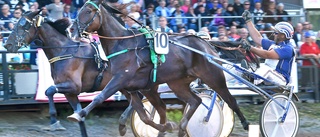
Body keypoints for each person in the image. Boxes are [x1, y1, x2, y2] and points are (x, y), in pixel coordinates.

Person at [241, 10, 295, 86]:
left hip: (281, 79)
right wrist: (248, 21)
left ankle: (252, 79)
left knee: (266, 68)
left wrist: (250, 47)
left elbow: (267, 55)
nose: (273, 34)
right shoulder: (273, 43)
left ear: (283, 35)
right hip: (269, 76)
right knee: (251, 68)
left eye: (276, 32)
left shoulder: (288, 49)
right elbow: (257, 38)